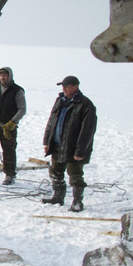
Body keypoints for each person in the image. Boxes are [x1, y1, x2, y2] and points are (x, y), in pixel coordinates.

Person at [41, 75, 97, 212]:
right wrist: (47, 141)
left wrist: (80, 151)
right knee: (55, 171)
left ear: (76, 87)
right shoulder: (60, 101)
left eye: (67, 86)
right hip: (57, 144)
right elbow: (51, 121)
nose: (64, 89)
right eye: (63, 86)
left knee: (75, 175)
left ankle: (77, 202)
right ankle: (58, 196)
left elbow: (87, 131)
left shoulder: (85, 104)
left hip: (73, 147)